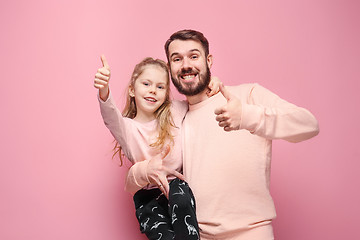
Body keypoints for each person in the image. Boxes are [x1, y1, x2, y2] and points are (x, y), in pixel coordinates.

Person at [125, 29, 320, 240]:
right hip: (199, 235)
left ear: (208, 60)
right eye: (177, 59)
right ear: (170, 68)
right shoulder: (174, 117)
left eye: (193, 56)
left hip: (251, 233)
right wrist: (144, 170)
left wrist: (246, 116)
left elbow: (308, 125)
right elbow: (130, 184)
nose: (186, 65)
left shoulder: (247, 95)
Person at [94, 55, 219, 240]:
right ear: (131, 89)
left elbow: (198, 99)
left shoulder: (174, 111)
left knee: (181, 199)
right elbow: (110, 114)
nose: (153, 91)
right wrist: (104, 89)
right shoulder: (127, 128)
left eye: (160, 87)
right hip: (148, 196)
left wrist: (211, 82)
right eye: (146, 84)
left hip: (177, 186)